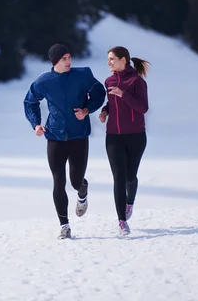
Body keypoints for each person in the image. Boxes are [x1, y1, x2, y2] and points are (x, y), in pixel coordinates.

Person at [24, 44, 106, 239]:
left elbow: (99, 93)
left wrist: (87, 110)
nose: (69, 62)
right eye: (64, 59)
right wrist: (36, 124)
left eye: (69, 57)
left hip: (79, 136)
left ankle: (82, 190)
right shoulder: (44, 81)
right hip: (54, 137)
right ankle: (64, 225)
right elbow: (30, 101)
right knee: (58, 181)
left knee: (76, 180)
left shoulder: (83, 75)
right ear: (55, 62)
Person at [99, 46, 150, 236]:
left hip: (136, 136)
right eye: (108, 59)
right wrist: (105, 111)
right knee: (119, 177)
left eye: (112, 59)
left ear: (123, 60)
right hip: (113, 137)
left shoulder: (136, 81)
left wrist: (124, 94)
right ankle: (121, 221)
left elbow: (143, 107)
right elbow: (112, 103)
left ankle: (130, 202)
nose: (108, 62)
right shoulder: (109, 81)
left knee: (129, 177)